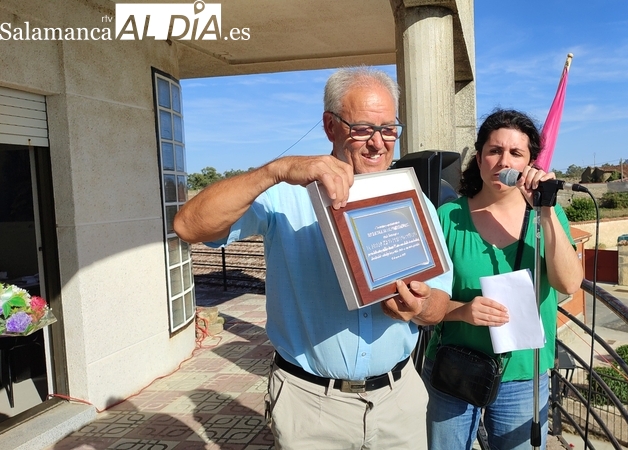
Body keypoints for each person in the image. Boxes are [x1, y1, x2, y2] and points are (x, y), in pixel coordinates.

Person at [173, 66, 453, 450]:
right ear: (330, 126)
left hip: (397, 401)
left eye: (389, 129)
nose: (378, 143)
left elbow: (439, 304)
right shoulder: (286, 194)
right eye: (362, 128)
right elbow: (190, 226)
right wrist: (276, 170)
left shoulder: (414, 202)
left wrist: (420, 306)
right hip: (312, 407)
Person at [422, 109, 583, 450]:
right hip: (455, 367)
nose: (503, 161)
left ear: (530, 164)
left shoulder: (548, 217)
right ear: (479, 158)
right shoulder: (448, 217)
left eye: (515, 153)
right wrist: (463, 311)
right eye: (494, 151)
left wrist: (546, 211)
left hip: (523, 375)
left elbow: (569, 284)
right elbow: (424, 299)